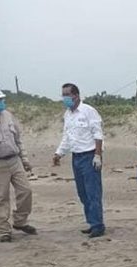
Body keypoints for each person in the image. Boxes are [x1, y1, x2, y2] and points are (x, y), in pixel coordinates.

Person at [0, 82, 36, 242]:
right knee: (0, 198)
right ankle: (4, 231)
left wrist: (25, 159)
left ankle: (20, 221)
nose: (0, 102)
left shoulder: (7, 115)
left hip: (14, 160)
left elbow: (18, 139)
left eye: (1, 99)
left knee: (26, 191)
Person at [53, 83, 106, 238]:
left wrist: (98, 155)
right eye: (63, 95)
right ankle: (91, 221)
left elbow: (98, 134)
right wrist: (58, 153)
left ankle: (98, 225)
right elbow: (67, 137)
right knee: (82, 193)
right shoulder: (67, 114)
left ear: (76, 95)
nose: (64, 98)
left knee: (93, 192)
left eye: (67, 95)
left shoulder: (88, 111)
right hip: (76, 156)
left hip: (89, 155)